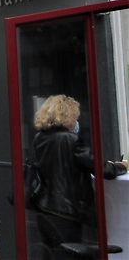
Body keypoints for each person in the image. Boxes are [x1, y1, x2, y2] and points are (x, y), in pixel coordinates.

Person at [32, 94, 126, 256]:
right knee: (70, 254)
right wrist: (122, 166)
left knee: (54, 253)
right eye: (75, 117)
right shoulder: (70, 139)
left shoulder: (40, 138)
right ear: (67, 116)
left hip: (45, 207)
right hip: (66, 211)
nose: (77, 121)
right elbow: (103, 169)